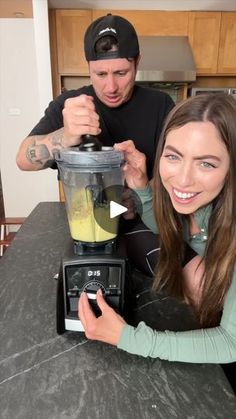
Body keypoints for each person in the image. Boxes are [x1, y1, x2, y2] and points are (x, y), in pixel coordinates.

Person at [78, 93, 236, 364]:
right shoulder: (203, 204)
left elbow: (231, 343)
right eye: (173, 156)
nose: (183, 179)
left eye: (206, 163)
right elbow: (164, 227)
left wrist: (126, 337)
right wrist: (141, 187)